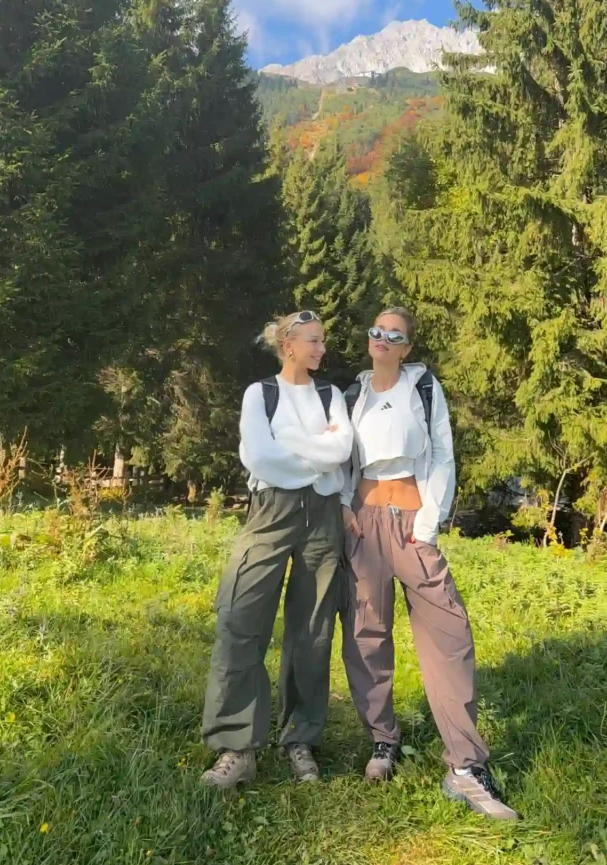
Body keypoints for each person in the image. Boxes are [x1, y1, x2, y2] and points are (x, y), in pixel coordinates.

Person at [339, 307, 518, 821]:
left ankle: (464, 765)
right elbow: (338, 461)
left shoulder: (423, 388)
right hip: (364, 523)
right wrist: (344, 508)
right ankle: (382, 739)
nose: (381, 338)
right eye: (375, 330)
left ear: (407, 346)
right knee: (365, 632)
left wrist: (428, 523)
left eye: (393, 334)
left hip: (413, 523)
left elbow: (443, 455)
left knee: (450, 634)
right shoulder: (353, 394)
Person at [201, 311, 353, 789]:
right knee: (239, 616)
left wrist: (295, 449)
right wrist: (315, 453)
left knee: (312, 631)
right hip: (271, 510)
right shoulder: (259, 394)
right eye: (313, 341)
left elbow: (342, 451)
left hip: (324, 518)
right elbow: (260, 457)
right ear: (288, 345)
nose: (321, 349)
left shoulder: (331, 395)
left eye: (322, 341)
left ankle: (300, 739)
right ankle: (236, 747)